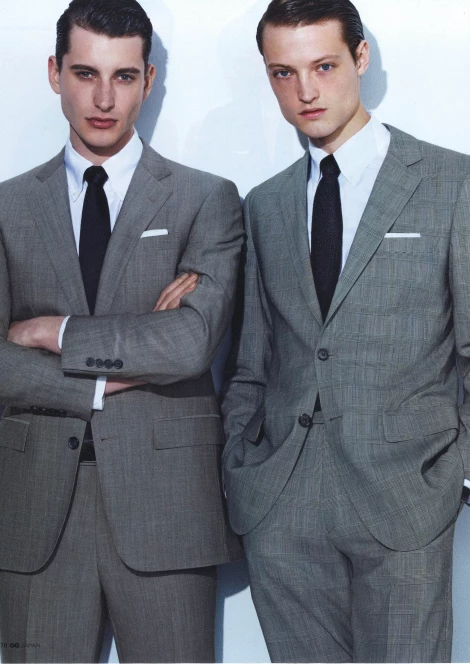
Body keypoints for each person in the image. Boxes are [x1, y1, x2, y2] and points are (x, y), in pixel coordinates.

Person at [221, 0, 470, 661]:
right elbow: (252, 363)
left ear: (361, 58)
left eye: (324, 66)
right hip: (282, 504)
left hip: (406, 497)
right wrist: (242, 465)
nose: (305, 90)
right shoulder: (265, 204)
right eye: (283, 73)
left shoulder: (452, 183)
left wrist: (455, 474)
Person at [0, 0, 243, 662]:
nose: (104, 99)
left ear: (149, 80)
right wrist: (104, 382)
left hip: (167, 509)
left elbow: (189, 343)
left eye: (124, 76)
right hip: (34, 512)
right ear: (55, 73)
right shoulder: (7, 207)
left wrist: (52, 330)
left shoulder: (206, 199)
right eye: (85, 74)